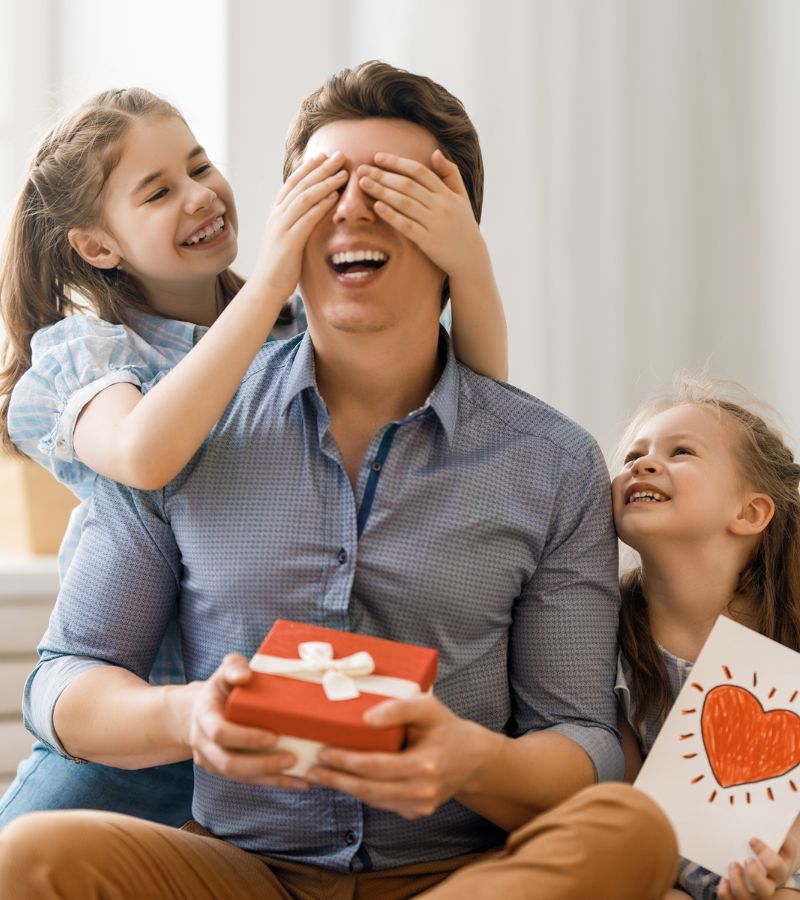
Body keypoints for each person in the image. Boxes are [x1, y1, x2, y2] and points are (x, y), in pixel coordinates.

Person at [0, 62, 677, 898]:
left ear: (453, 230)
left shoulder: (552, 462)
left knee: (630, 826)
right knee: (28, 856)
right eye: (327, 187)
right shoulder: (178, 422)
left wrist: (474, 759)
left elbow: (583, 743)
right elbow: (67, 677)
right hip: (239, 870)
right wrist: (190, 714)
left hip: (454, 874)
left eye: (394, 189)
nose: (354, 208)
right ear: (290, 227)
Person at [0, 85, 507, 828]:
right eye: (159, 191)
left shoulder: (291, 333)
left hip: (253, 747)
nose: (201, 196)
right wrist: (272, 275)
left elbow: (481, 409)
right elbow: (146, 454)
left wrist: (469, 264)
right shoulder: (86, 356)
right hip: (127, 741)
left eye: (200, 166)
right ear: (97, 245)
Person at [613, 380, 800, 900]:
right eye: (634, 453)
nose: (643, 464)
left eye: (681, 452)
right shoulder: (609, 634)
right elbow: (624, 816)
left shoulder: (789, 638)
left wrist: (777, 875)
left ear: (750, 513)